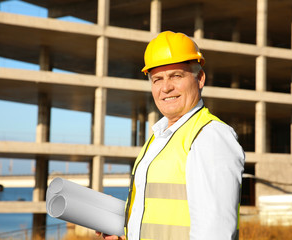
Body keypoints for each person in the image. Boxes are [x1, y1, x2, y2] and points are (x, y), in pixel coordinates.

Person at [98, 31, 245, 240]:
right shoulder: (158, 138)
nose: (166, 87)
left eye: (176, 76)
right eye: (157, 79)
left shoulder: (209, 136)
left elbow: (215, 233)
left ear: (200, 78)